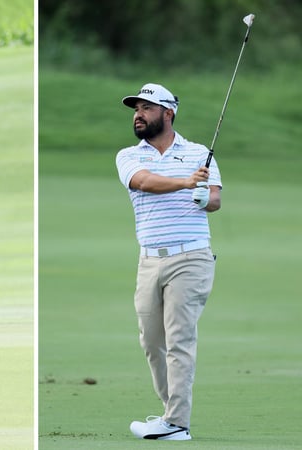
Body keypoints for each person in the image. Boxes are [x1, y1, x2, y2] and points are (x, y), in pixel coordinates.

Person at [116, 83, 222, 441]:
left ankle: (177, 422)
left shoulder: (198, 154)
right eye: (136, 109)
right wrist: (184, 183)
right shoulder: (129, 156)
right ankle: (170, 415)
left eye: (147, 108)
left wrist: (201, 195)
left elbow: (215, 201)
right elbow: (142, 182)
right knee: (151, 341)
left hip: (190, 257)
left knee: (179, 338)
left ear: (168, 113)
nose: (138, 114)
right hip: (149, 260)